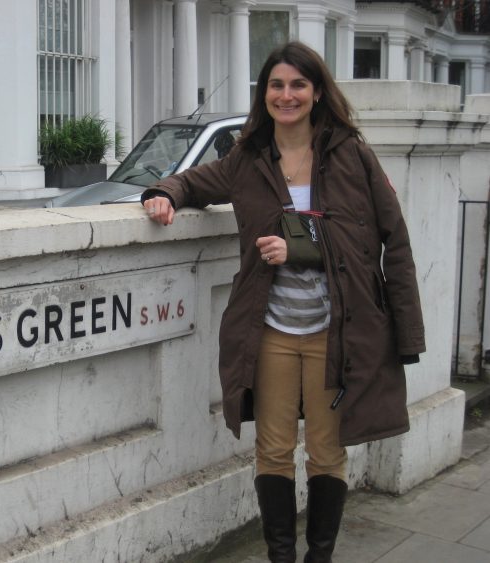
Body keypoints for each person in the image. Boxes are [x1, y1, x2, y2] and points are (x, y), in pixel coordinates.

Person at [141, 41, 425, 563]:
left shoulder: (351, 153)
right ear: (264, 93)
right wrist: (162, 194)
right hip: (270, 332)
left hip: (334, 333)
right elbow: (189, 181)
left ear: (317, 93)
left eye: (298, 85)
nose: (286, 95)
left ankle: (319, 556)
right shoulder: (247, 159)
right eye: (276, 85)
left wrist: (406, 336)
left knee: (326, 452)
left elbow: (391, 238)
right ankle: (280, 557)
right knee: (272, 450)